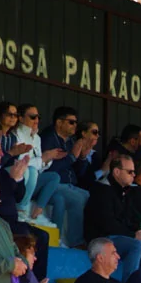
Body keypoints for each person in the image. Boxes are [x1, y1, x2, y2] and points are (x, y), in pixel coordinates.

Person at [85, 154, 141, 281]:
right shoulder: (102, 190)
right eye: (130, 172)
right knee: (136, 246)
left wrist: (139, 233)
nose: (134, 175)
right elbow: (108, 224)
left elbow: (129, 219)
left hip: (118, 236)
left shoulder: (125, 191)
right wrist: (133, 235)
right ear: (116, 172)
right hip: (101, 239)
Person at [39, 106, 92, 247]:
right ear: (59, 122)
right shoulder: (48, 137)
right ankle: (76, 242)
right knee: (79, 199)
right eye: (71, 122)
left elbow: (79, 172)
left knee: (91, 197)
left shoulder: (70, 141)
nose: (75, 125)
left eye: (76, 122)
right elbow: (47, 169)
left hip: (69, 185)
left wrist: (82, 157)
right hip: (51, 184)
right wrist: (72, 157)